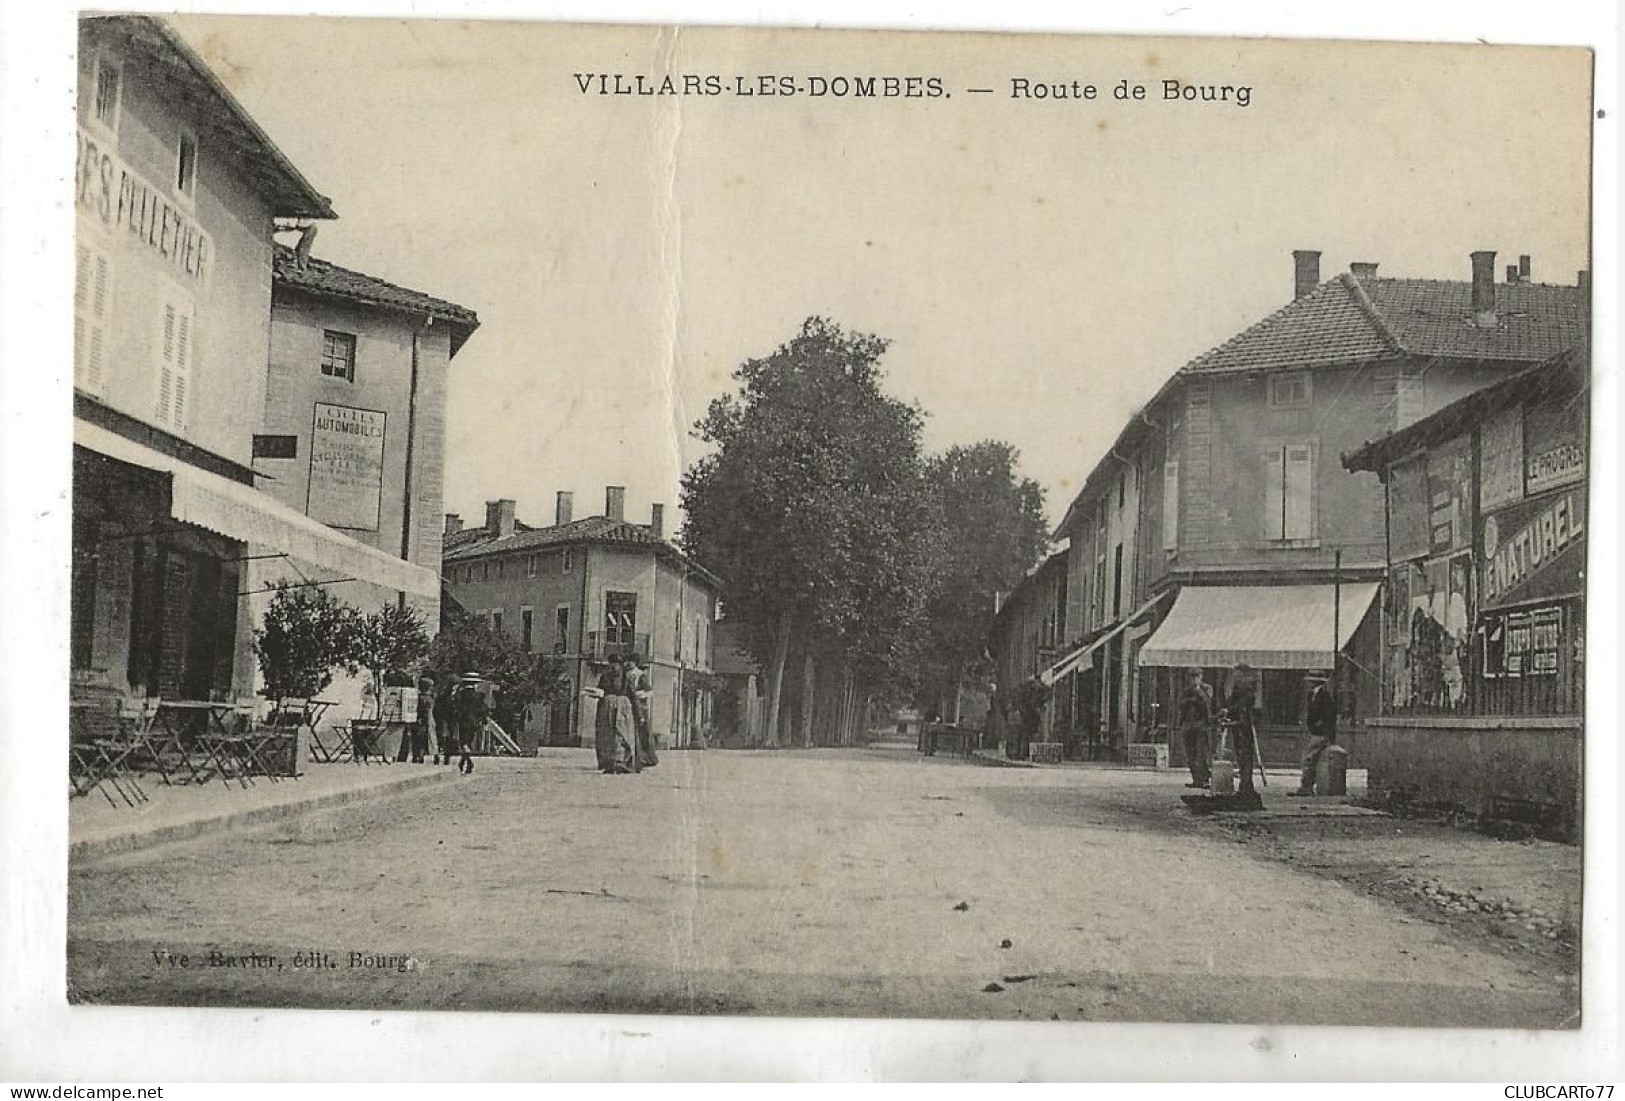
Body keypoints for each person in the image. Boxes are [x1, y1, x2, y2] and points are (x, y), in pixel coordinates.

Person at [1294, 671, 1338, 795]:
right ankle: (1307, 785)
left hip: (1321, 733)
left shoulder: (1324, 696)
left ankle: (1306, 786)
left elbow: (1330, 713)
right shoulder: (1312, 695)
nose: (1309, 684)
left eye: (1311, 681)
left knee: (1308, 757)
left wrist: (1321, 724)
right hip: (1315, 732)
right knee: (1310, 758)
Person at [593, 654, 639, 775]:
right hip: (606, 709)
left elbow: (633, 695)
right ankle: (608, 763)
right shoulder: (605, 677)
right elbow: (600, 690)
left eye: (617, 664)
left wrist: (638, 714)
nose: (614, 667)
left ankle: (622, 762)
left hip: (623, 709)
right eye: (612, 664)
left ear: (620, 665)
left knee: (623, 735)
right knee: (607, 735)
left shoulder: (626, 678)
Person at [1222, 663, 1262, 799]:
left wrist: (1231, 711)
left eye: (1237, 673)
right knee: (1242, 754)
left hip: (1243, 724)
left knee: (1244, 754)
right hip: (1240, 723)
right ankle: (1246, 784)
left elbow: (1244, 706)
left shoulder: (1246, 690)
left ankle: (1246, 784)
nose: (1235, 676)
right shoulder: (1242, 690)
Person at [1177, 667, 1214, 789]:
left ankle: (1204, 779)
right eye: (1192, 676)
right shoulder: (1186, 690)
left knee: (1201, 752)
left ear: (1201, 677)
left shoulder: (1206, 688)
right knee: (1190, 753)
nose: (1194, 679)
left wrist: (1198, 692)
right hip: (1188, 724)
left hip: (1201, 724)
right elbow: (1181, 704)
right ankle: (1196, 779)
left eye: (1196, 676)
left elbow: (1207, 702)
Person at [627, 655, 658, 768]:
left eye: (630, 661)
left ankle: (647, 757)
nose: (628, 663)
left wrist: (638, 694)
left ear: (635, 662)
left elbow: (649, 692)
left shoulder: (641, 675)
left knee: (643, 732)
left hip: (641, 706)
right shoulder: (626, 674)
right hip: (630, 705)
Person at [453, 673, 487, 775]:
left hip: (463, 721)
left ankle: (468, 761)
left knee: (463, 742)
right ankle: (464, 762)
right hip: (475, 722)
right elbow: (483, 709)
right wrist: (483, 719)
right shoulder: (479, 696)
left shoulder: (460, 695)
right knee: (468, 741)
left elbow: (456, 708)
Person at [408, 674, 434, 764]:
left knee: (416, 738)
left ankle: (416, 755)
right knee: (423, 739)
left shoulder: (416, 697)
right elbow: (426, 711)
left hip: (415, 720)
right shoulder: (427, 698)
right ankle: (421, 755)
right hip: (423, 720)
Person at [432, 679, 458, 765]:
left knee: (447, 739)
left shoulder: (453, 697)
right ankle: (439, 756)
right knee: (442, 738)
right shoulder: (446, 697)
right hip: (445, 719)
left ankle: (446, 757)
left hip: (449, 720)